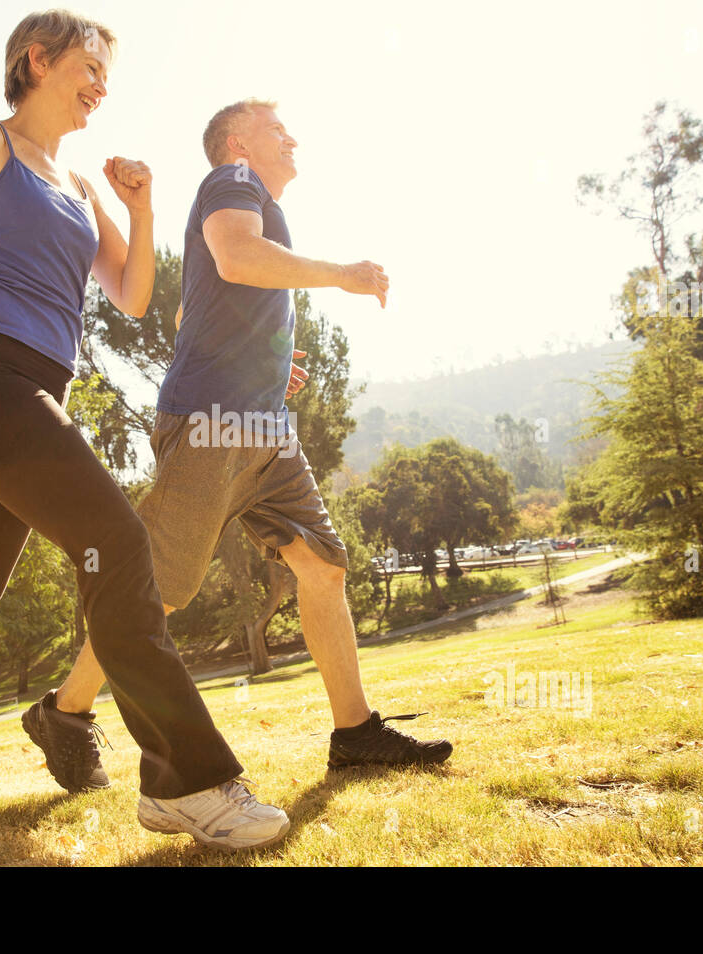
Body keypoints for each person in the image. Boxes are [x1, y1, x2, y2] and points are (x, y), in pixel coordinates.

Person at [0, 12, 289, 865]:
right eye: (90, 64)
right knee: (114, 541)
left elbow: (133, 294)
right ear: (36, 60)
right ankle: (187, 783)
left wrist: (140, 210)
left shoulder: (77, 185)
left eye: (109, 71)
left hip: (35, 390)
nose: (103, 83)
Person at [24, 98, 452, 794]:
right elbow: (237, 256)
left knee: (323, 565)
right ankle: (65, 712)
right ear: (236, 143)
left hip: (262, 429)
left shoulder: (250, 200)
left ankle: (356, 735)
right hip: (211, 423)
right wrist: (344, 274)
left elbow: (199, 302)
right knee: (157, 590)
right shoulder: (232, 181)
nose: (292, 137)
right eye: (276, 128)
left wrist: (265, 359)